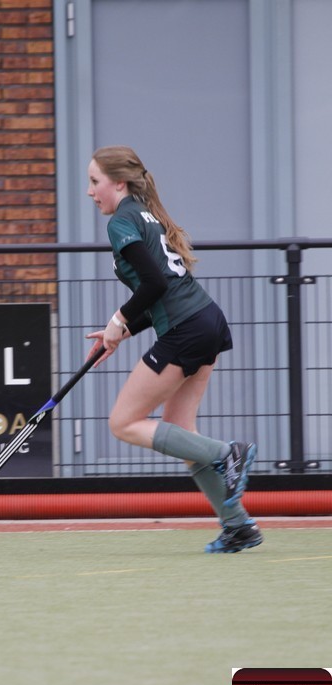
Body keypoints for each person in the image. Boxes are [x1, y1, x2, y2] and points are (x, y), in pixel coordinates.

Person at [86, 145, 263, 553]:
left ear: (119, 183)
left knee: (123, 422)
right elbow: (160, 293)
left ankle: (228, 453)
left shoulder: (122, 221)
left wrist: (118, 320)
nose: (90, 191)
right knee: (181, 433)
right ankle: (238, 527)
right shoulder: (145, 214)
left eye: (95, 182)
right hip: (205, 320)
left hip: (188, 329)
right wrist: (121, 331)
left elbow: (155, 284)